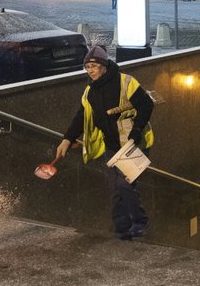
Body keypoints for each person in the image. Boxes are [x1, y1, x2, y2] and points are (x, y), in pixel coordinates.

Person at [55, 46, 155, 241]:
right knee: (116, 189)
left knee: (124, 185)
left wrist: (135, 133)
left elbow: (146, 105)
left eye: (93, 66)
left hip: (135, 143)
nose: (90, 70)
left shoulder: (125, 82)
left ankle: (140, 222)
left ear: (104, 66)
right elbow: (82, 115)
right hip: (111, 146)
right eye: (87, 67)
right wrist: (67, 138)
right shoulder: (90, 92)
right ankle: (121, 229)